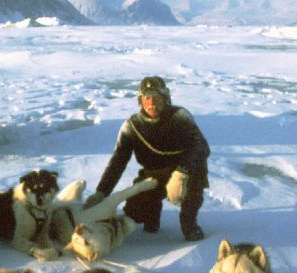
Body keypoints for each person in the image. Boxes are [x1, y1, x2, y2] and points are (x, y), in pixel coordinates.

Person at [84, 76, 209, 241]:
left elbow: (201, 146)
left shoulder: (180, 116)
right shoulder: (131, 126)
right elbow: (117, 162)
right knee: (134, 212)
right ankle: (152, 215)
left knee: (192, 188)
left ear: (165, 99)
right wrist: (101, 192)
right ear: (140, 101)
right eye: (147, 98)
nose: (152, 103)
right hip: (154, 174)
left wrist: (182, 171)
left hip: (185, 171)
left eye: (156, 98)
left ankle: (189, 224)